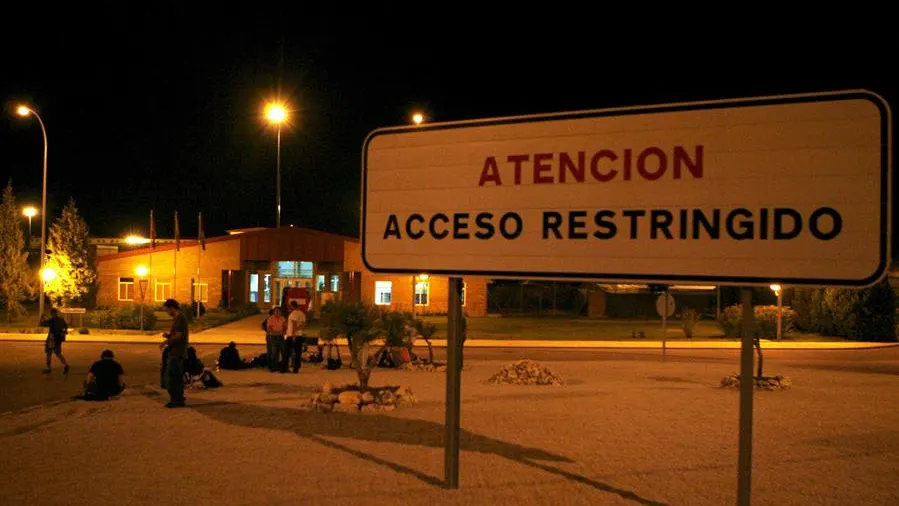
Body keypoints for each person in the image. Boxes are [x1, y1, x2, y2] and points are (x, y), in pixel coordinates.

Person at [161, 299, 189, 408]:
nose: (167, 313)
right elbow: (177, 335)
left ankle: (176, 400)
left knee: (174, 377)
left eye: (167, 310)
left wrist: (166, 341)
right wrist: (168, 336)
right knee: (175, 376)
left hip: (177, 353)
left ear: (172, 308)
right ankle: (178, 399)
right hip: (176, 352)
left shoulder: (180, 319)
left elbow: (178, 336)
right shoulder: (178, 319)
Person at [43, 308, 70, 374]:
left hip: (51, 338)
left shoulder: (51, 320)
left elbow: (43, 323)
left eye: (51, 313)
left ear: (52, 313)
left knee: (48, 353)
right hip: (58, 338)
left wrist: (43, 318)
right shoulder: (61, 319)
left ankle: (48, 368)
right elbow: (66, 327)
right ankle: (66, 364)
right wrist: (63, 332)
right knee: (58, 353)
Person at [285, 300, 307, 373]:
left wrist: (294, 334)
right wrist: (298, 330)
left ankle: (286, 367)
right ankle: (296, 368)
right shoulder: (302, 314)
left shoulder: (293, 314)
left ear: (292, 306)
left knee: (287, 352)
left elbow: (294, 324)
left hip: (292, 335)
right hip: (300, 335)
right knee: (298, 353)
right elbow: (303, 325)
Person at [265, 307, 287, 373]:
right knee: (274, 353)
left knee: (283, 352)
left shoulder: (282, 318)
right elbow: (269, 328)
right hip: (273, 337)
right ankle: (273, 367)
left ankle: (282, 367)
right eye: (276, 311)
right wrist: (276, 332)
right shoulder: (270, 318)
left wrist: (283, 332)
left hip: (281, 337)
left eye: (279, 311)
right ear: (274, 312)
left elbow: (285, 327)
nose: (278, 313)